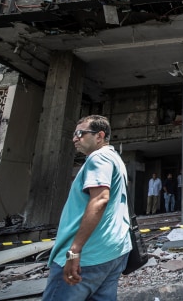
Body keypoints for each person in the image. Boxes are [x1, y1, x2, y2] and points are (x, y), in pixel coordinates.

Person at [42, 115, 132, 300]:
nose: (75, 138)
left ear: (99, 136)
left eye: (80, 133)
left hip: (89, 255)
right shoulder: (115, 158)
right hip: (113, 251)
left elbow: (100, 200)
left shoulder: (98, 158)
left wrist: (75, 251)